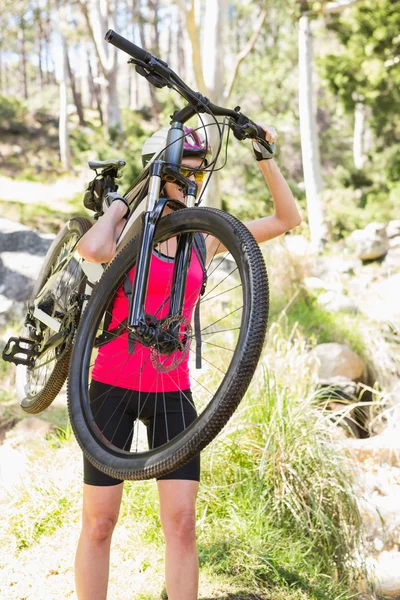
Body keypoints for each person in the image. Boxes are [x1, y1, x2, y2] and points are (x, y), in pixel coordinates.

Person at [75, 124, 301, 600]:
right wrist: (124, 200)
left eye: (200, 171)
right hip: (112, 384)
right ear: (163, 170)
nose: (194, 178)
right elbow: (92, 250)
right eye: (185, 170)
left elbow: (286, 219)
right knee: (99, 522)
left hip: (172, 391)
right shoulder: (134, 229)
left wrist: (263, 155)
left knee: (181, 523)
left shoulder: (206, 236)